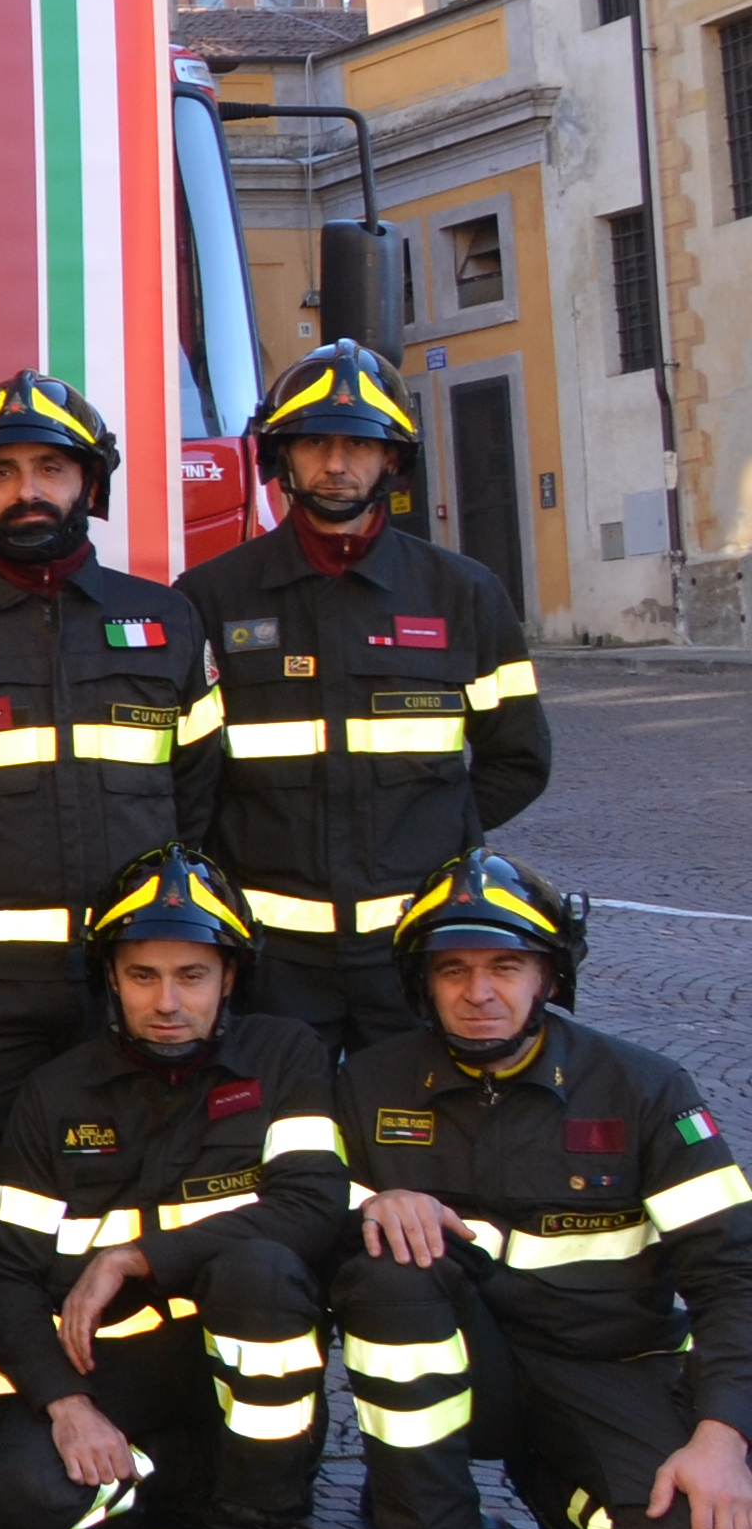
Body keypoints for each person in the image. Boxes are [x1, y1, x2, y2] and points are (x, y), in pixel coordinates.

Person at [0, 371, 225, 1422]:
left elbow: (199, 807)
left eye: (50, 468)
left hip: (133, 986)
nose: (27, 490)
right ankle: (4, 1426)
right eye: (2, 473)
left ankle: (155, 1420)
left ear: (90, 483)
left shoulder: (166, 624)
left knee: (142, 1195)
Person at [329, 852, 752, 1529]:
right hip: (467, 1363)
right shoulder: (369, 1084)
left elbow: (733, 1273)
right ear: (422, 984)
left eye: (506, 966)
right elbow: (300, 1211)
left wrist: (722, 1436)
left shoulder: (646, 1089)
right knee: (388, 1276)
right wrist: (370, 1204)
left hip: (609, 1361)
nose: (479, 993)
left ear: (550, 978)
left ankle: (561, 1499)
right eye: (452, 969)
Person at [0, 848, 344, 1529]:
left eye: (192, 976)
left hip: (231, 1349)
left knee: (262, 1268)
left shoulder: (285, 1059)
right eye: (143, 976)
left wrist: (137, 1256)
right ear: (111, 977)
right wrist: (67, 1406)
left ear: (230, 977)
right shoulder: (56, 1093)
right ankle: (184, 1483)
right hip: (108, 1369)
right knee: (14, 1505)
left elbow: (311, 1207)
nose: (167, 1001)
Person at [179, 342, 551, 1050]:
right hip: (269, 959)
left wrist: (438, 829)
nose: (337, 465)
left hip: (414, 949)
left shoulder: (464, 593)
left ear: (393, 461)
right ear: (281, 457)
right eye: (315, 442)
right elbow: (184, 773)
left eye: (360, 445)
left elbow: (520, 758)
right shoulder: (210, 598)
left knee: (416, 1143)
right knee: (284, 1141)